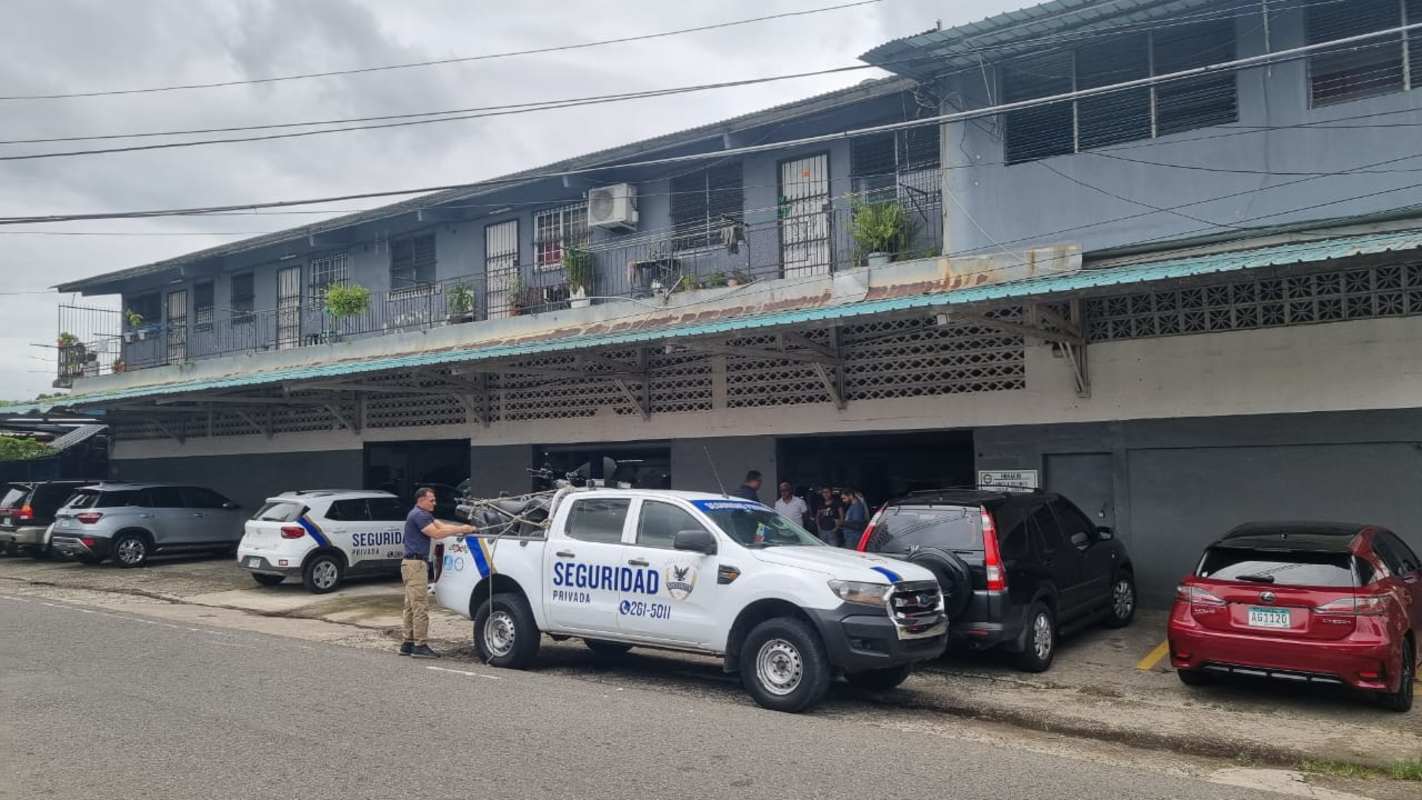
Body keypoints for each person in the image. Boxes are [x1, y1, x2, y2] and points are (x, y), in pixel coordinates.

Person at [400, 487, 475, 658]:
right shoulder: (419, 515)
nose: (435, 503)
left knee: (411, 605)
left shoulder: (424, 515)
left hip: (412, 563)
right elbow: (437, 533)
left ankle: (408, 643)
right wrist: (461, 529)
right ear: (421, 500)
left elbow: (442, 525)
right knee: (420, 606)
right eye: (431, 500)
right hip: (415, 564)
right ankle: (420, 645)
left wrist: (463, 528)